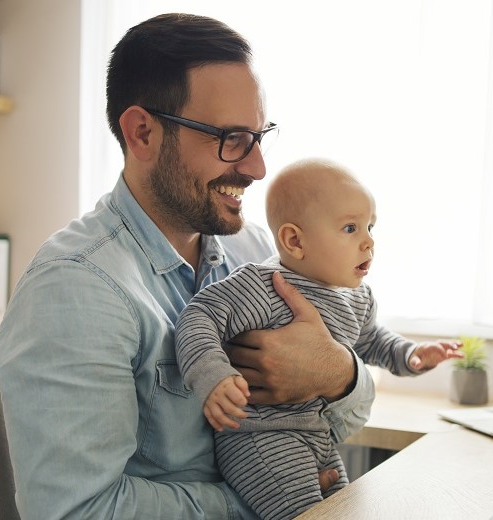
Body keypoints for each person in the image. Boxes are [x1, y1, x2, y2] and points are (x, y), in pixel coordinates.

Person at [0, 13, 377, 520]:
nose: (258, 167)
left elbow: (339, 415)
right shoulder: (74, 289)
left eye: (260, 137)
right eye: (232, 139)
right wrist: (269, 501)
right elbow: (77, 511)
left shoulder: (258, 253)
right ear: (143, 132)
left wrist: (340, 373)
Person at [176, 158, 463, 519]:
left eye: (370, 226)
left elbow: (373, 341)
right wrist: (212, 374)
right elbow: (199, 315)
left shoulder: (358, 297)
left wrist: (412, 354)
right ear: (294, 240)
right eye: (350, 228)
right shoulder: (263, 286)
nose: (369, 242)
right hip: (260, 437)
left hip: (317, 435)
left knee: (344, 507)